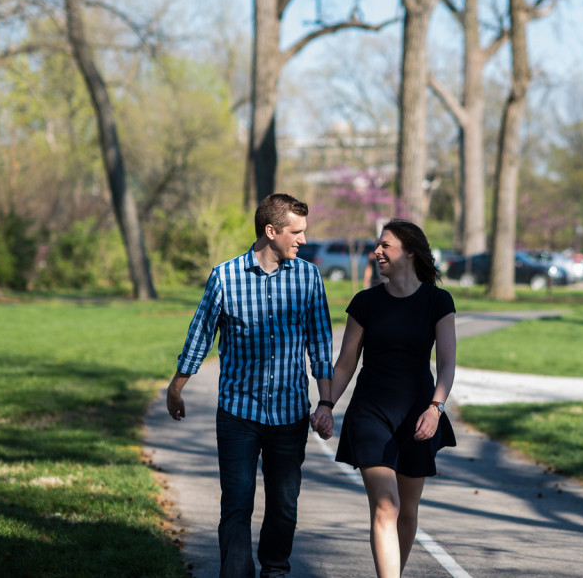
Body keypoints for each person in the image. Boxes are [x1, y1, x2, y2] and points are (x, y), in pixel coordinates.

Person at [166, 193, 335, 578]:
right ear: (271, 231)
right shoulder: (225, 277)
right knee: (237, 506)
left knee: (284, 505)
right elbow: (200, 335)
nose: (303, 240)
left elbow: (321, 346)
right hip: (238, 415)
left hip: (290, 417)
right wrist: (176, 387)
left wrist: (325, 402)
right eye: (297, 232)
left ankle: (274, 570)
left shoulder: (308, 278)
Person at [313, 219, 456, 578]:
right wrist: (326, 404)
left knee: (407, 511)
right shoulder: (366, 302)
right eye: (378, 245)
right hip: (370, 414)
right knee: (386, 506)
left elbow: (448, 365)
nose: (376, 251)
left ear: (409, 251)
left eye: (385, 245)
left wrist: (435, 409)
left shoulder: (438, 301)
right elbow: (345, 364)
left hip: (418, 415)